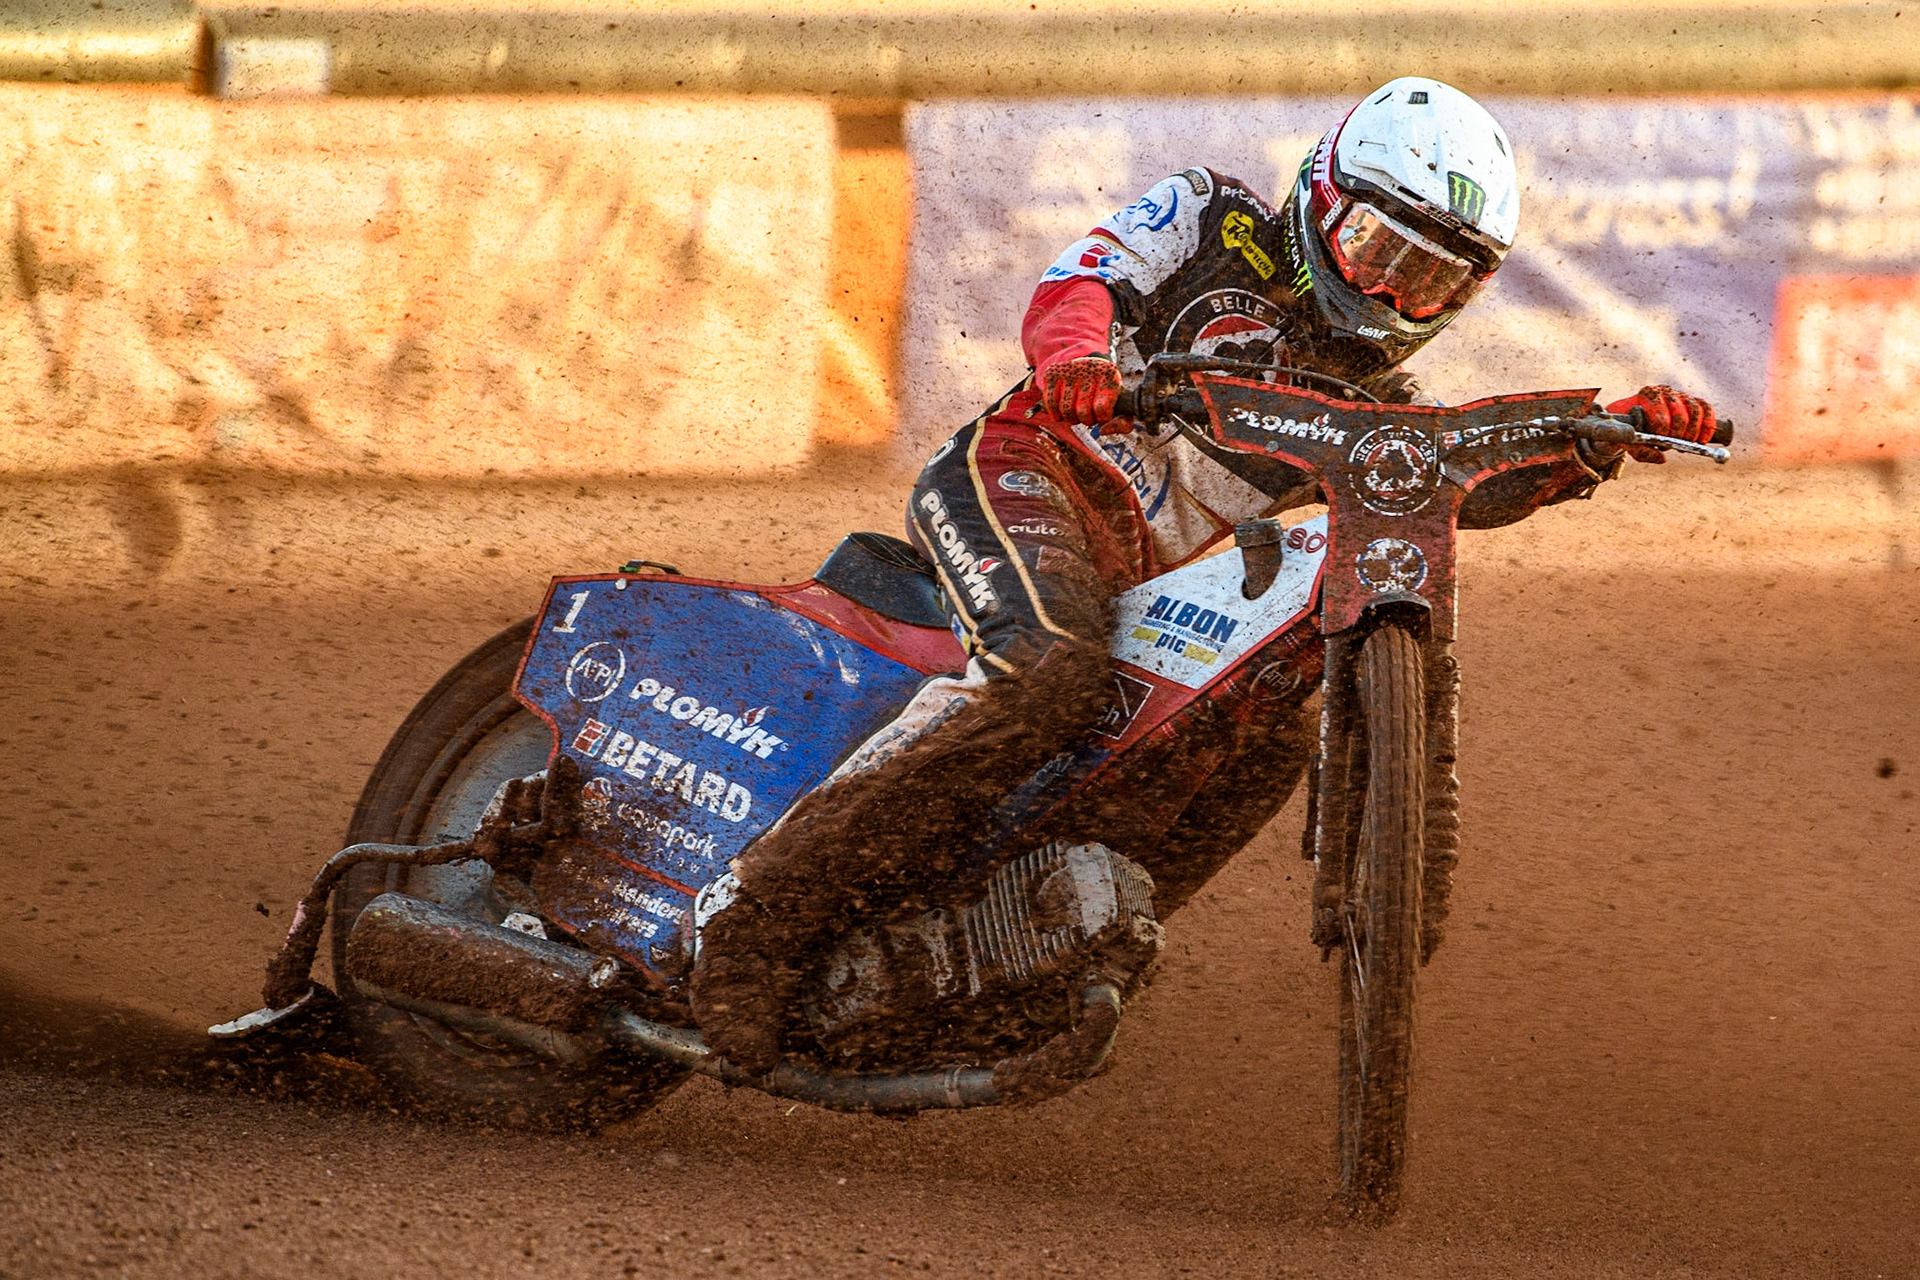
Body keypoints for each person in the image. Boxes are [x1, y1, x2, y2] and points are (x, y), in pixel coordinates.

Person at [689, 76, 1720, 1073]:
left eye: (1431, 280)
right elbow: (1079, 282)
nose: (1391, 293)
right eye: (1376, 251)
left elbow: (1453, 483)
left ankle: (1019, 945)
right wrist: (1077, 361)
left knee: (1263, 723)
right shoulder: (1211, 212)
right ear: (1321, 197)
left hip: (1142, 580)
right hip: (1031, 470)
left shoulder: (1373, 393)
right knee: (1050, 668)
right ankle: (757, 919)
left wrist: (1594, 443)